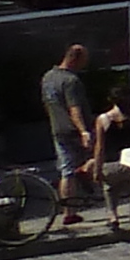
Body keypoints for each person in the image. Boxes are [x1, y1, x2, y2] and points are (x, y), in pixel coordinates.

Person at [41, 43, 93, 220]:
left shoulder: (48, 77)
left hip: (57, 128)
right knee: (83, 164)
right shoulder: (71, 81)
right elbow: (74, 109)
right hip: (72, 130)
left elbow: (48, 104)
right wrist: (84, 131)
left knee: (66, 167)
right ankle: (71, 209)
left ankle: (69, 208)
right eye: (83, 60)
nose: (84, 64)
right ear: (75, 58)